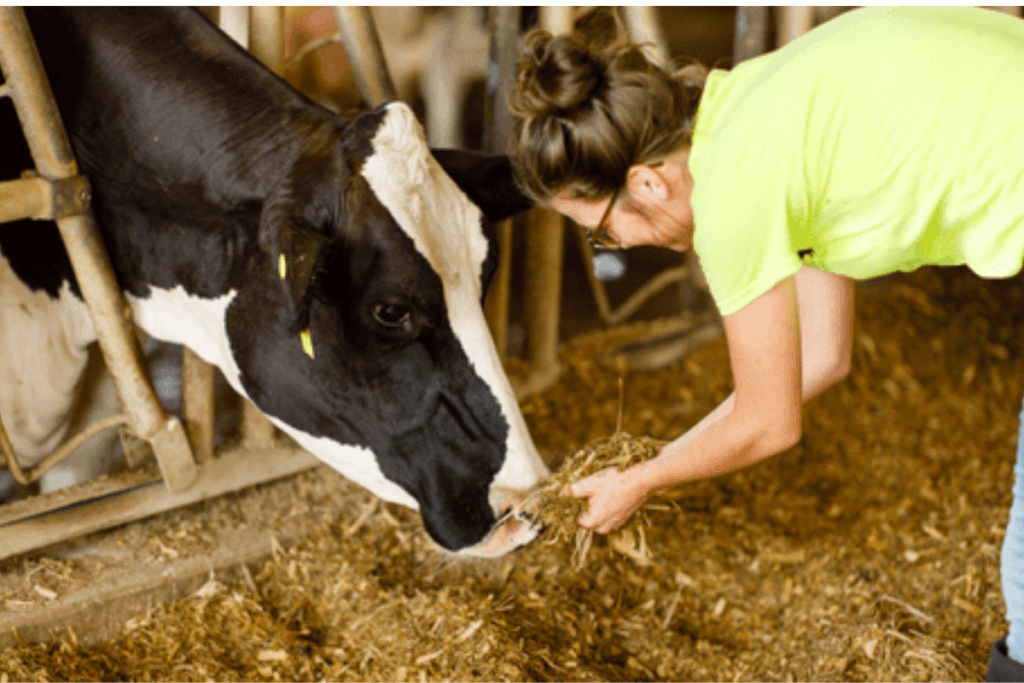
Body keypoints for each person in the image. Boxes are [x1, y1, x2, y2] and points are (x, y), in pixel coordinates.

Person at [506, 6, 1024, 680]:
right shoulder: (750, 105)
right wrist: (656, 459)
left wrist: (640, 480)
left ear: (648, 182)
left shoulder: (733, 195)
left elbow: (769, 423)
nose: (617, 248)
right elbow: (822, 357)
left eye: (602, 232)